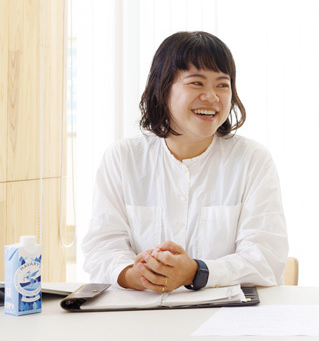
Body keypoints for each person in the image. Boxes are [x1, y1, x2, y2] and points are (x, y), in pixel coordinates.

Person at [82, 31, 288, 292]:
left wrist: (196, 272)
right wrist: (135, 275)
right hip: (144, 318)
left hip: (230, 321)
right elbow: (102, 247)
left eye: (222, 85)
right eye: (197, 83)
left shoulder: (253, 160)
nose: (212, 97)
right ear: (163, 88)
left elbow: (265, 258)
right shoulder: (123, 158)